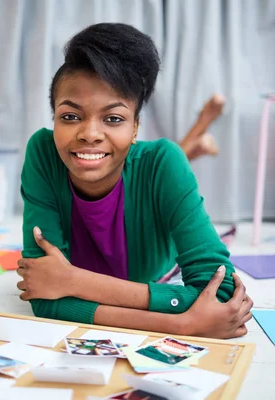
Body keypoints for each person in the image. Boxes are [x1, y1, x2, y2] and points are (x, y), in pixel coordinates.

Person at [17, 23, 252, 339]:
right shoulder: (43, 152)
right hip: (145, 185)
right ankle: (198, 137)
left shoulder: (163, 161)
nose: (89, 133)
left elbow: (221, 293)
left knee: (166, 161)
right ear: (54, 118)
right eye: (70, 117)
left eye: (113, 119)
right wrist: (180, 324)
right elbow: (43, 296)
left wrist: (72, 281)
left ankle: (197, 135)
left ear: (136, 126)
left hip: (160, 258)